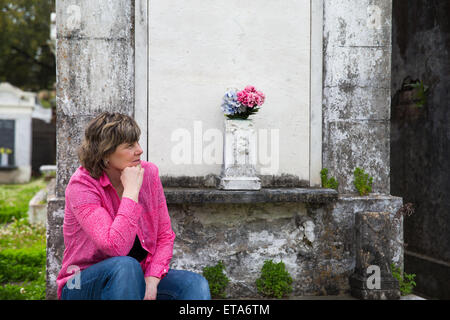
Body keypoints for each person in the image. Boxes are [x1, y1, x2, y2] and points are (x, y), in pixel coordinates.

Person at [56, 112, 211, 300]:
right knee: (125, 266)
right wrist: (131, 192)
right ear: (105, 153)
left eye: (137, 142)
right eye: (130, 146)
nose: (139, 150)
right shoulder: (82, 186)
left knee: (194, 284)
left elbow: (164, 235)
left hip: (136, 276)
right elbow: (114, 247)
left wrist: (152, 280)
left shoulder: (149, 172)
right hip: (79, 283)